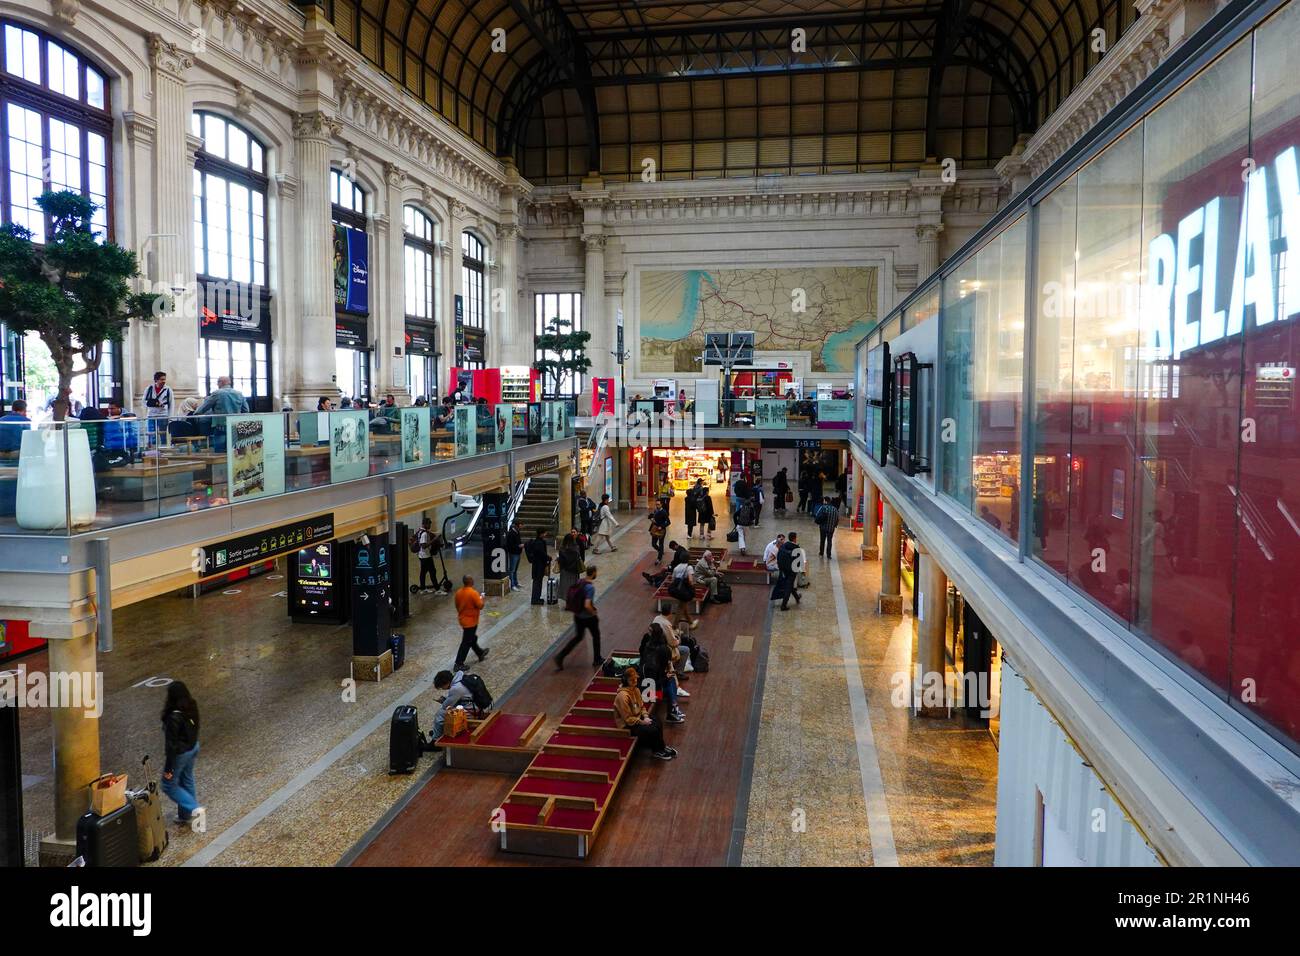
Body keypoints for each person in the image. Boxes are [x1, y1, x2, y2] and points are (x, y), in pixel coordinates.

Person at [160, 680, 202, 825]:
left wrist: (169, 769)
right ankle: (185, 815)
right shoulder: (192, 705)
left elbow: (171, 746)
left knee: (168, 785)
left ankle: (194, 808)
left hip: (181, 753)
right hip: (193, 746)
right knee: (186, 778)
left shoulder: (173, 717)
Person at [613, 666, 675, 760]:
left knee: (657, 721)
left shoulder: (636, 690)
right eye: (632, 680)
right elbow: (628, 719)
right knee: (652, 730)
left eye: (636, 679)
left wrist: (645, 716)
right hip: (628, 724)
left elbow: (641, 707)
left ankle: (661, 747)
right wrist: (642, 722)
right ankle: (656, 751)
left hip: (638, 717)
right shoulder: (622, 696)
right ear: (626, 681)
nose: (635, 682)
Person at [555, 564, 602, 670]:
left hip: (578, 616)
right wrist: (593, 612)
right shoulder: (590, 587)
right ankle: (597, 659)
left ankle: (560, 656)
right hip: (588, 617)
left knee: (578, 637)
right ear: (594, 572)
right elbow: (587, 604)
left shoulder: (580, 582)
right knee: (596, 636)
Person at [639, 623, 686, 724]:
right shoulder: (663, 650)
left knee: (670, 679)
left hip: (647, 689)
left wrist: (665, 676)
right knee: (670, 682)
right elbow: (654, 682)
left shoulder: (648, 648)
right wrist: (665, 677)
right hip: (649, 695)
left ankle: (673, 709)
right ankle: (672, 711)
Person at [452, 574, 489, 669]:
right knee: (466, 642)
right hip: (471, 621)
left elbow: (457, 605)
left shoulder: (459, 592)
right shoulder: (473, 593)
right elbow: (480, 606)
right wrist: (482, 599)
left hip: (463, 620)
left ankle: (480, 653)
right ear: (470, 581)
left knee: (471, 638)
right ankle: (458, 663)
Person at [430, 669, 475, 742]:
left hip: (471, 711)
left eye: (442, 687)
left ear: (446, 683)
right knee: (449, 710)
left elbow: (445, 706)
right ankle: (439, 731)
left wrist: (443, 701)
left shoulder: (455, 688)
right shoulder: (461, 677)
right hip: (474, 706)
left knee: (440, 714)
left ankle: (435, 740)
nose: (443, 689)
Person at [773, 531, 803, 611]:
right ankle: (784, 605)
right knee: (788, 586)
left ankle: (797, 597)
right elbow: (799, 561)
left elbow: (779, 556)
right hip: (792, 571)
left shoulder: (784, 545)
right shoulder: (797, 548)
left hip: (784, 569)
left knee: (789, 584)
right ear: (794, 538)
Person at [142, 370, 172, 445]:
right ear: (156, 380)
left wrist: (170, 417)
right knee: (151, 434)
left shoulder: (168, 389)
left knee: (163, 435)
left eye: (164, 379)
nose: (164, 381)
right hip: (151, 415)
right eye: (162, 379)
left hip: (163, 415)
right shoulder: (149, 389)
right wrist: (153, 403)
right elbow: (144, 401)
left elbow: (171, 403)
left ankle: (164, 450)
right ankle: (152, 451)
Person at [669, 557, 699, 630]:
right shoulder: (689, 567)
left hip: (677, 590)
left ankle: (691, 622)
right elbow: (691, 580)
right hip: (685, 591)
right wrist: (692, 588)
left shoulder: (676, 568)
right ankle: (674, 627)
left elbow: (673, 579)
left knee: (683, 606)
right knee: (681, 608)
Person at [416, 517, 443, 593]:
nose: (430, 525)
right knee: (432, 572)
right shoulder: (424, 533)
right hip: (426, 556)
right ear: (425, 524)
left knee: (423, 572)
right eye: (429, 523)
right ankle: (437, 590)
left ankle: (423, 589)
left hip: (422, 556)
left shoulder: (420, 531)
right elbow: (423, 545)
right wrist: (434, 540)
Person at [555, 530, 584, 603]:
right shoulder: (576, 548)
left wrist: (558, 559)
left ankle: (567, 600)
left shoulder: (562, 549)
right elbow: (578, 558)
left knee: (565, 586)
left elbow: (562, 560)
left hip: (565, 571)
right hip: (574, 571)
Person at [525, 528, 551, 604]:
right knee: (537, 582)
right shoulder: (539, 543)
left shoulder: (538, 541)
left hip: (537, 565)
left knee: (538, 582)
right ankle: (535, 599)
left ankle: (537, 598)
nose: (546, 534)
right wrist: (548, 557)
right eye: (545, 533)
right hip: (538, 566)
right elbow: (541, 554)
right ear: (541, 534)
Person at [648, 497, 670, 564]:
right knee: (653, 544)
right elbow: (654, 518)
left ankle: (659, 558)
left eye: (658, 504)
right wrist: (652, 520)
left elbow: (668, 522)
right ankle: (660, 551)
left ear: (661, 504)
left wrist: (662, 526)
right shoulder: (655, 511)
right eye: (656, 504)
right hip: (655, 529)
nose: (657, 506)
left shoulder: (664, 512)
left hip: (661, 531)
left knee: (661, 544)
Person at [505, 521, 524, 591]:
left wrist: (520, 546)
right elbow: (510, 545)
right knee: (512, 570)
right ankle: (512, 585)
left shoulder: (517, 532)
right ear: (517, 525)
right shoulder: (511, 533)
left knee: (515, 569)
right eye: (521, 525)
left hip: (518, 553)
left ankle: (516, 583)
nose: (521, 527)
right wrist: (518, 546)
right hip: (513, 554)